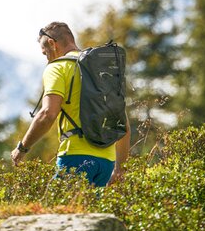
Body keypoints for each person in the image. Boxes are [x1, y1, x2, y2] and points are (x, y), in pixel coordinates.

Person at [11, 22, 130, 187]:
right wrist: (119, 168)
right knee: (88, 211)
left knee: (57, 209)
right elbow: (122, 122)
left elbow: (48, 114)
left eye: (45, 53)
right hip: (107, 161)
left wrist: (22, 148)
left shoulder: (57, 67)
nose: (46, 58)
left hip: (75, 156)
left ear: (52, 44)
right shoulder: (98, 69)